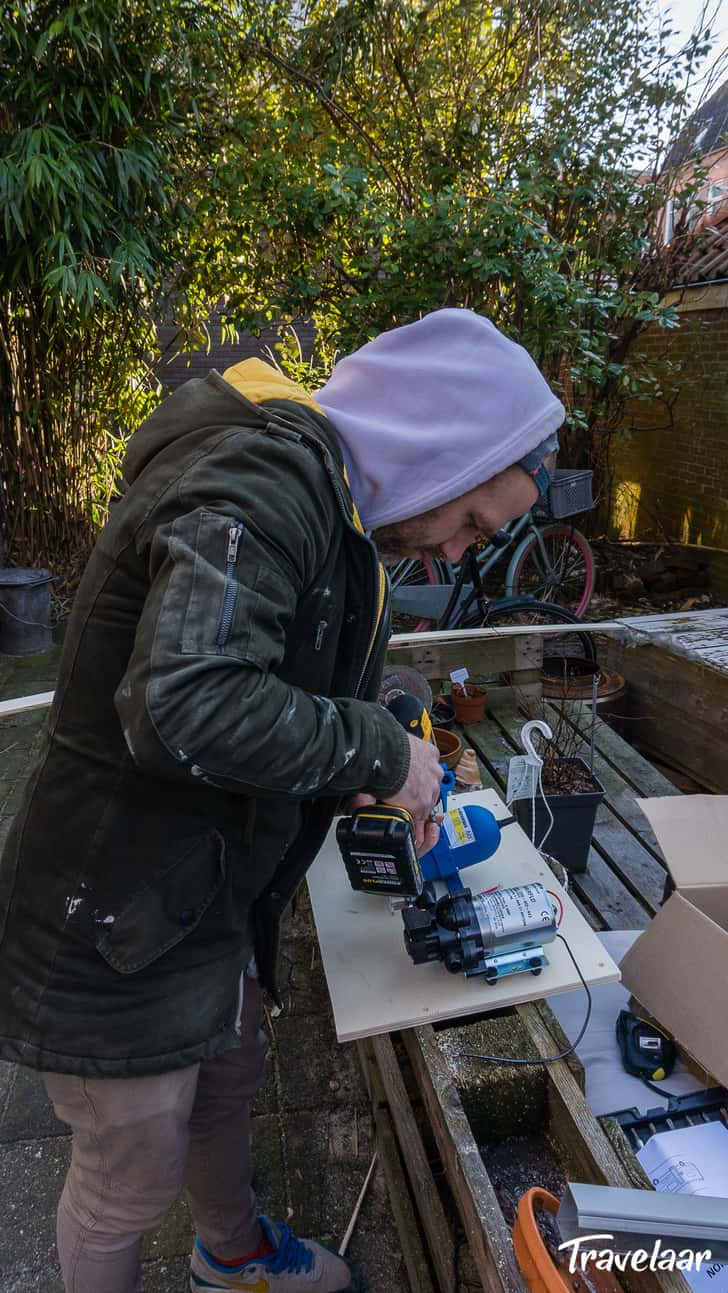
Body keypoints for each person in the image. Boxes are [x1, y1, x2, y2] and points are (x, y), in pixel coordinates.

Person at [0, 308, 563, 1293]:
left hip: (205, 895)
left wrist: (386, 706)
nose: (453, 550)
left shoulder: (339, 510)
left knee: (227, 1086)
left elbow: (290, 670)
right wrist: (378, 751)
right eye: (471, 519)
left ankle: (232, 1256)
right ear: (437, 449)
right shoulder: (261, 481)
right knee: (125, 1179)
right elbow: (186, 706)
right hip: (113, 917)